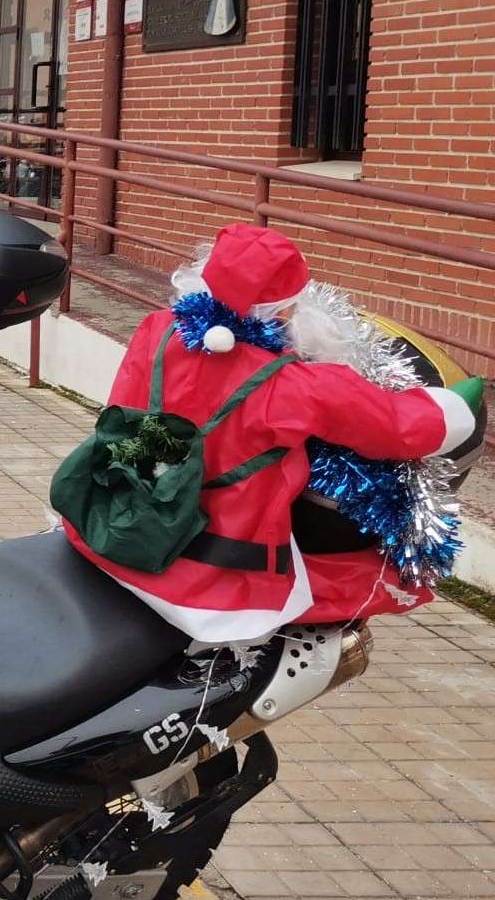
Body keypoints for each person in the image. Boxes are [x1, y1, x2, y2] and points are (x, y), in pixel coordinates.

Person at [62, 225, 479, 641]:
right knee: (359, 577)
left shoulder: (157, 329)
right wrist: (456, 405)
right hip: (212, 584)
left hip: (108, 530)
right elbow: (401, 427)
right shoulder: (294, 383)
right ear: (284, 311)